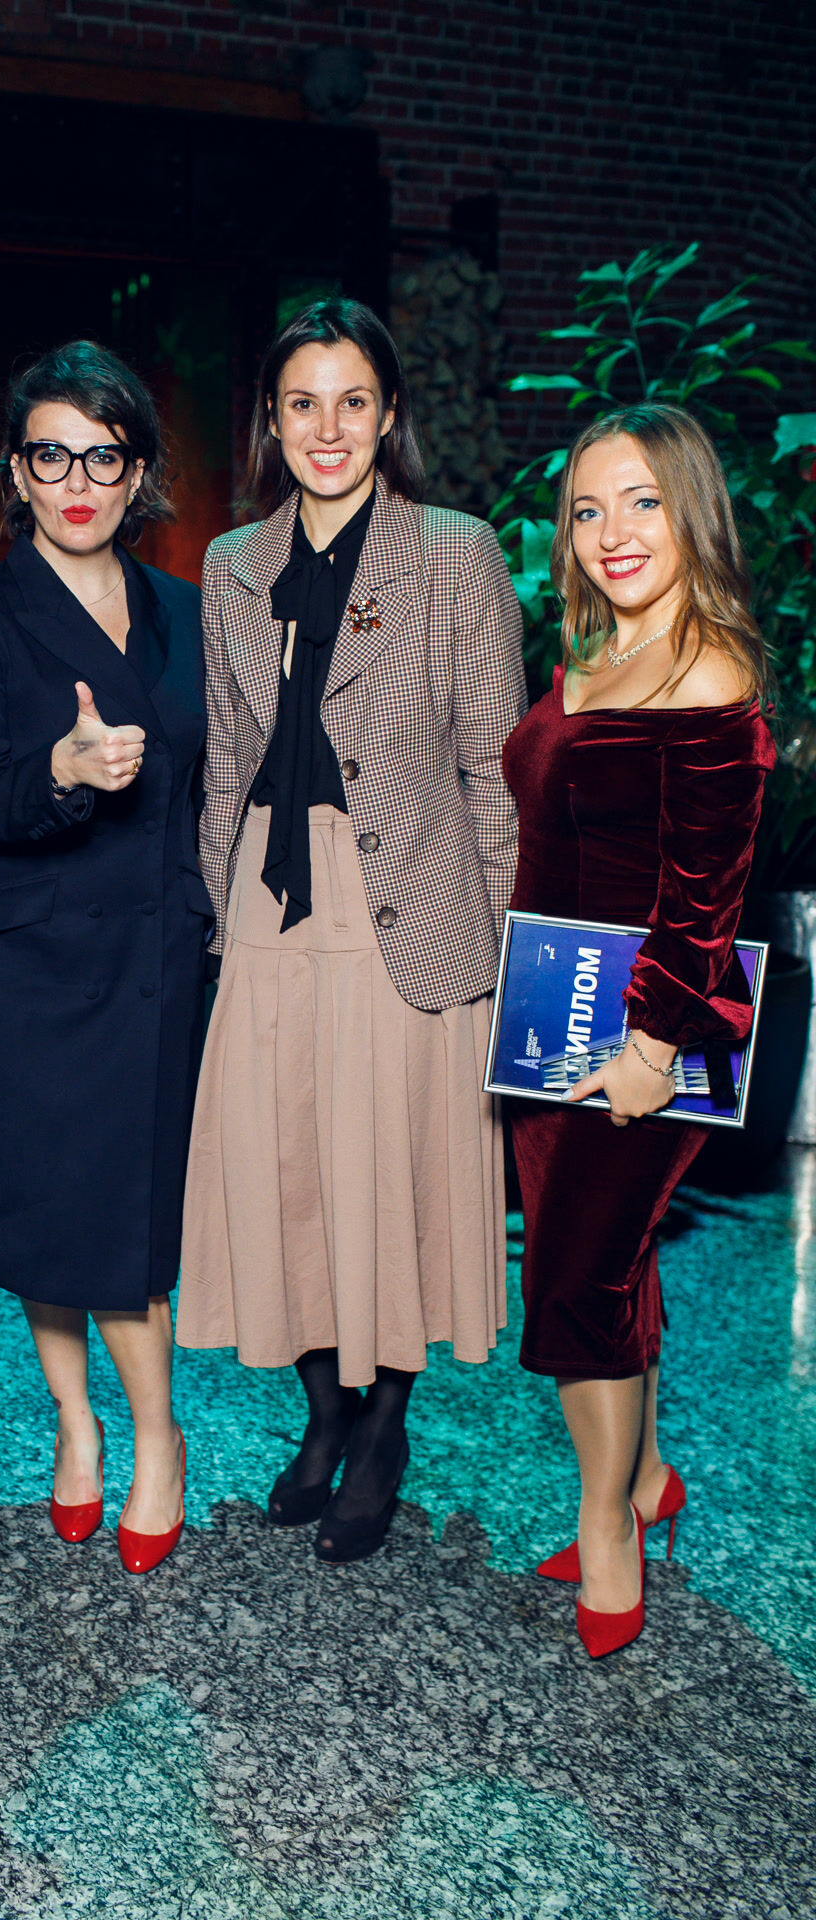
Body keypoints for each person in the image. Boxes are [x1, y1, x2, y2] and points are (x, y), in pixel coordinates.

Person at [177, 299, 526, 1562]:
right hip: (270, 907)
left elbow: (494, 773)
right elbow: (227, 762)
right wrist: (222, 925)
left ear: (387, 416)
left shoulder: (452, 554)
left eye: (352, 402)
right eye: (301, 403)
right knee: (285, 1173)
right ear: (270, 423)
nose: (326, 429)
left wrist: (502, 956)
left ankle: (383, 1430)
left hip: (409, 909)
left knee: (392, 1178)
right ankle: (320, 1413)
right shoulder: (229, 565)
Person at [0, 341, 207, 1575]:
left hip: (155, 962)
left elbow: (218, 785)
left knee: (128, 1220)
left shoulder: (188, 611)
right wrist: (60, 767)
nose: (77, 482)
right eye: (51, 455)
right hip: (25, 970)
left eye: (102, 456)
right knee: (46, 1217)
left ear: (136, 471)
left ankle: (158, 1439)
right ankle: (77, 1425)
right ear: (17, 472)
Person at [502, 404, 774, 1658]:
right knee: (615, 1266)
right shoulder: (597, 652)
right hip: (553, 1019)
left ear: (690, 512)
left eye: (641, 502)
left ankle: (605, 1525)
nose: (611, 532)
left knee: (575, 1282)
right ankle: (648, 1475)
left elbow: (704, 894)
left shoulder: (706, 672)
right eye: (586, 509)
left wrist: (652, 1051)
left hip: (636, 1037)